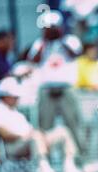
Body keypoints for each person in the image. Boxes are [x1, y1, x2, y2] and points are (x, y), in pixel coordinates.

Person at [0, 77, 93, 172]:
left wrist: (35, 134)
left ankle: (69, 168)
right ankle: (44, 170)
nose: (17, 99)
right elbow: (3, 134)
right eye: (14, 97)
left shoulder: (15, 112)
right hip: (14, 147)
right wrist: (25, 136)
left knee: (62, 131)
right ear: (6, 96)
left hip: (32, 140)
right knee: (36, 136)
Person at [28, 10, 85, 154]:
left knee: (74, 123)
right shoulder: (40, 43)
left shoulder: (70, 40)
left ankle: (81, 159)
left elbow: (75, 53)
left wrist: (60, 38)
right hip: (46, 89)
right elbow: (33, 60)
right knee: (44, 125)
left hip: (66, 89)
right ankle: (45, 160)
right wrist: (45, 40)